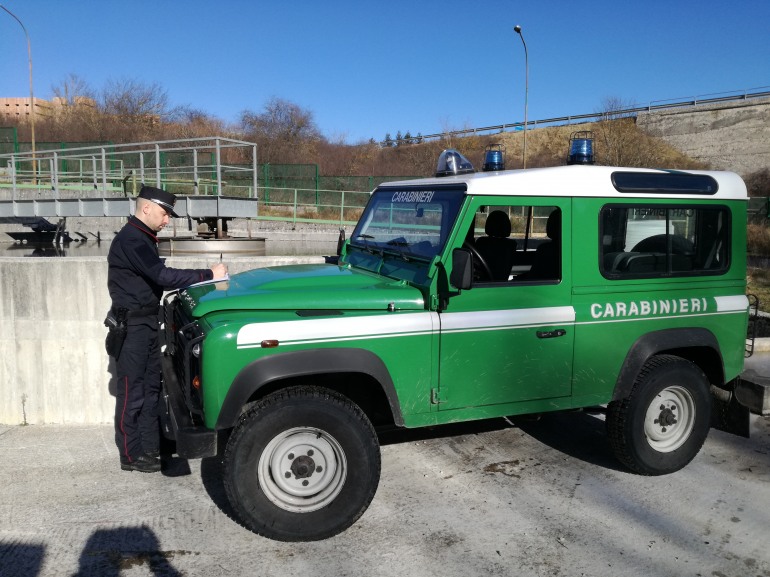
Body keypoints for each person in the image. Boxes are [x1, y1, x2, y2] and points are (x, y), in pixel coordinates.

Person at [106, 185, 227, 473]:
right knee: (132, 392)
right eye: (164, 213)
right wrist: (209, 275)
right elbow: (161, 275)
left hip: (147, 323)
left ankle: (150, 448)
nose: (167, 220)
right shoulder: (132, 239)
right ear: (146, 207)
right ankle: (131, 455)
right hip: (133, 327)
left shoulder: (144, 238)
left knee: (150, 389)